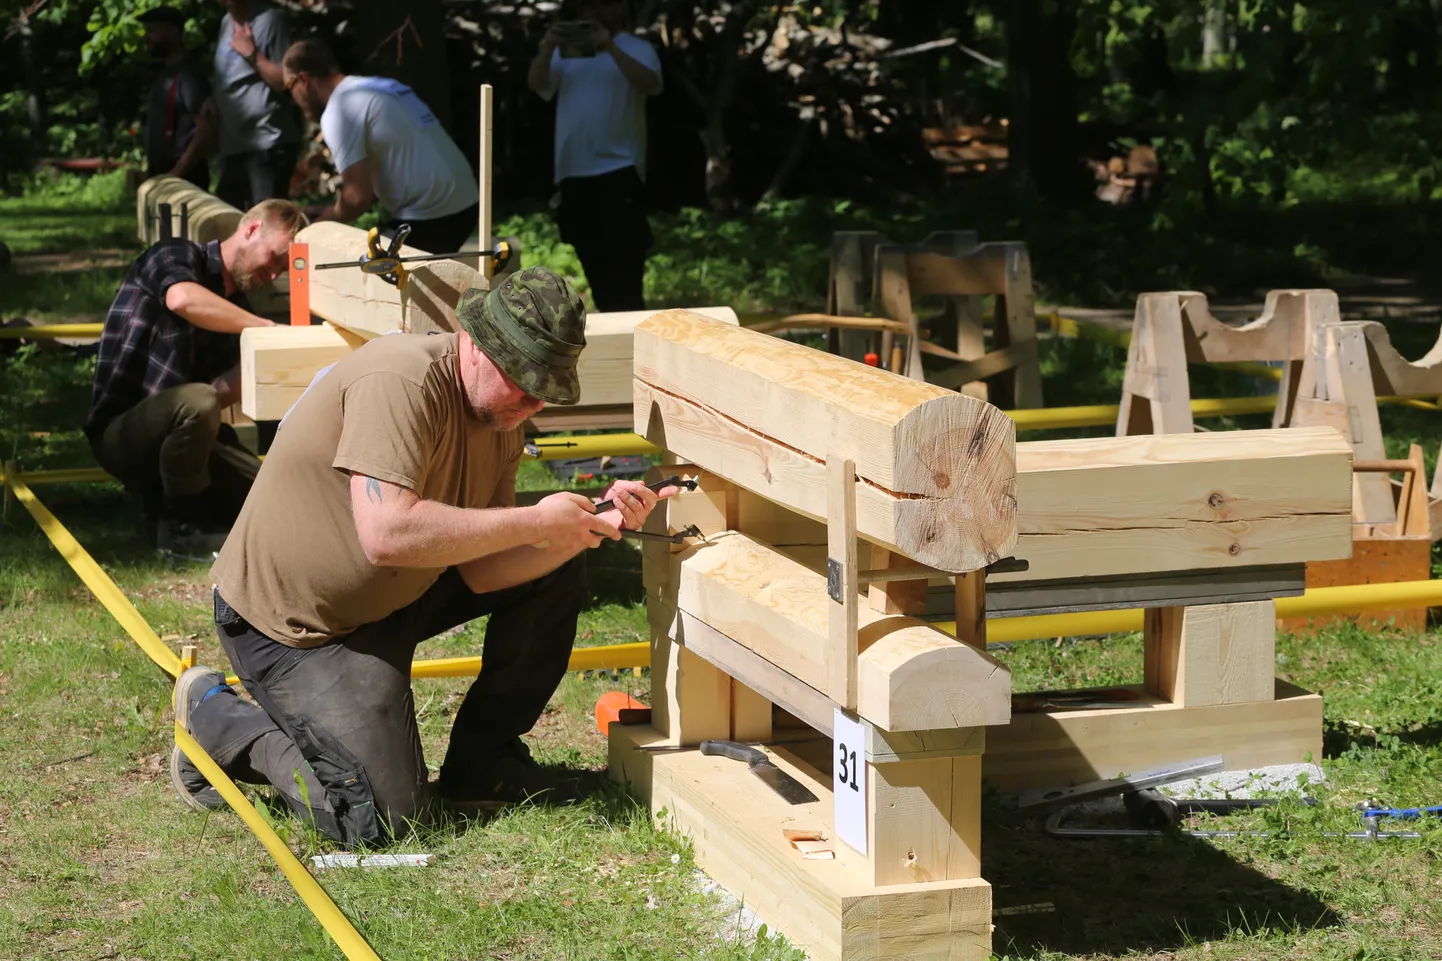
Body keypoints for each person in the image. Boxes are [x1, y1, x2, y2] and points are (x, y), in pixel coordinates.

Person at [169, 267, 677, 846]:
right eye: (526, 382)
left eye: (547, 389)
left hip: (395, 593)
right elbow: (385, 534)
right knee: (380, 820)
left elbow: (483, 570)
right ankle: (218, 718)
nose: (533, 403)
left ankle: (483, 765)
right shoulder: (401, 380)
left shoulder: (500, 414)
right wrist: (537, 521)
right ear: (478, 345)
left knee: (559, 561)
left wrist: (580, 532)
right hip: (294, 629)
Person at [85, 200, 303, 557]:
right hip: (121, 432)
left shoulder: (239, 312)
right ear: (251, 230)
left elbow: (218, 394)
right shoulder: (175, 253)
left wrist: (277, 358)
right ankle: (179, 528)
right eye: (276, 257)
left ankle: (187, 509)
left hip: (184, 430)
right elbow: (183, 298)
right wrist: (269, 331)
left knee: (276, 502)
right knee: (198, 403)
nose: (276, 273)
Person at [280, 39, 480, 254]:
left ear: (304, 79)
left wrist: (309, 233)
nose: (292, 98)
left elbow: (356, 199)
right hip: (466, 203)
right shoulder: (379, 86)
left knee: (360, 275)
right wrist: (323, 209)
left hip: (432, 217)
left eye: (288, 88)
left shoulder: (340, 111)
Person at [527, 0, 662, 312]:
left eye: (602, 7)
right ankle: (614, 329)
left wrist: (611, 48)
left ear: (618, 10)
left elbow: (652, 85)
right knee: (594, 266)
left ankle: (632, 336)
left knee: (625, 267)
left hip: (619, 169)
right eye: (588, 9)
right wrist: (548, 47)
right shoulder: (566, 52)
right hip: (573, 172)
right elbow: (537, 85)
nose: (594, 14)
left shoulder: (636, 48)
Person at [212, 0, 300, 209]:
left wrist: (253, 55)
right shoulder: (226, 22)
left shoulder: (270, 21)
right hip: (233, 147)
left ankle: (300, 244)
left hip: (267, 145)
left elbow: (290, 83)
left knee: (268, 228)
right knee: (229, 223)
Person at [138, 6, 213, 188]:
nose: (147, 37)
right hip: (164, 174)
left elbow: (207, 127)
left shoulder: (189, 75)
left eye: (153, 30)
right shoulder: (163, 74)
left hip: (184, 177)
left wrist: (177, 172)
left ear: (173, 32)